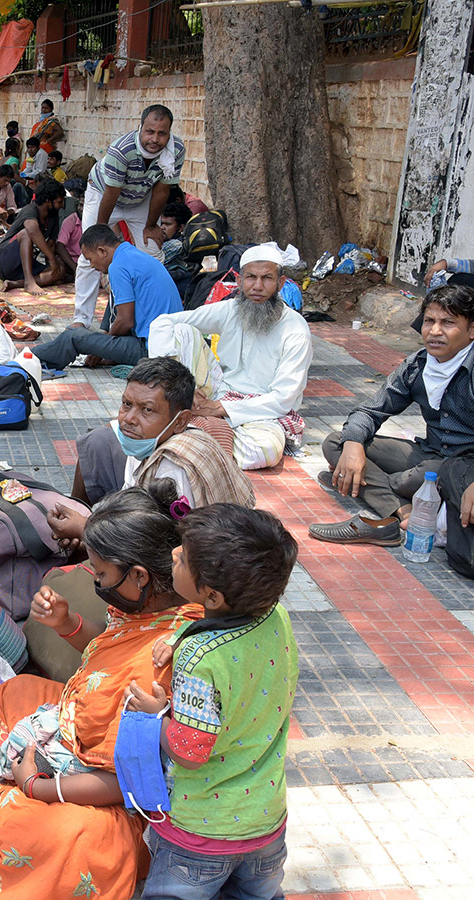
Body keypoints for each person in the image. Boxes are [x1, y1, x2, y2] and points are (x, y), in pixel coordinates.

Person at [0, 483, 202, 900]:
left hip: (120, 795)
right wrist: (67, 624)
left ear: (138, 576)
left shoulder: (161, 662)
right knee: (19, 689)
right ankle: (5, 774)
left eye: (100, 574)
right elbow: (104, 658)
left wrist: (38, 788)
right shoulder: (155, 604)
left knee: (77, 839)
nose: (96, 582)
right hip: (76, 733)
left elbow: (125, 785)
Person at [127, 504, 298, 900]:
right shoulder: (275, 615)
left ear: (212, 595)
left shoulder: (200, 661)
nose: (174, 555)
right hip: (266, 820)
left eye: (184, 558)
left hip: (202, 833)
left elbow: (189, 751)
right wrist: (184, 633)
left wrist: (158, 715)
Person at [310, 285, 474, 558]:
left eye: (448, 323)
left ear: (471, 330)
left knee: (417, 478)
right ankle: (404, 510)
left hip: (465, 469)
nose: (434, 331)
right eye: (430, 321)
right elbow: (371, 410)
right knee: (336, 443)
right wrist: (353, 445)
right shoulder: (418, 365)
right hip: (429, 454)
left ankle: (375, 487)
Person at [50, 357, 255, 563]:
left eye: (147, 410)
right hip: (154, 533)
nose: (129, 418)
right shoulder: (147, 440)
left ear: (181, 421)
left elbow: (156, 548)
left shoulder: (173, 471)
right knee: (97, 441)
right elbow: (129, 499)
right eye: (126, 404)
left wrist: (86, 528)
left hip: (184, 566)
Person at [147, 244, 313, 470]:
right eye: (251, 277)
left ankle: (197, 432)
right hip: (219, 390)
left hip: (261, 411)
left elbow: (283, 398)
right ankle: (198, 423)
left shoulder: (295, 329)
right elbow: (162, 322)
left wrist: (221, 410)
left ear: (281, 283)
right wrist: (178, 384)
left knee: (265, 450)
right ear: (238, 280)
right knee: (181, 330)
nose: (257, 286)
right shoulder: (229, 309)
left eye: (267, 278)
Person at [73, 106, 186, 325]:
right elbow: (111, 193)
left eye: (162, 133)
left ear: (169, 133)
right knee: (89, 255)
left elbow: (163, 189)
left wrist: (151, 224)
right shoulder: (121, 150)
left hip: (140, 197)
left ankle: (156, 317)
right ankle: (81, 320)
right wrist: (101, 231)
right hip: (104, 194)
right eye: (150, 131)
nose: (155, 139)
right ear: (140, 127)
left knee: (153, 252)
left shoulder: (177, 150)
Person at [32, 225, 183, 369]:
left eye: (90, 259)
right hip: (170, 344)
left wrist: (102, 346)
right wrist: (104, 338)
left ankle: (30, 359)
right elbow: (120, 305)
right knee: (114, 301)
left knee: (73, 336)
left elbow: (125, 321)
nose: (91, 266)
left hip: (153, 351)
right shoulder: (132, 255)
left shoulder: (118, 266)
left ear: (102, 251)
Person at [0, 178, 66, 294]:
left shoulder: (53, 217)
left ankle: (17, 283)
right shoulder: (30, 210)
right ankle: (29, 282)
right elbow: (32, 230)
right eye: (59, 202)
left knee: (60, 271)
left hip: (23, 268)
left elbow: (51, 244)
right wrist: (51, 258)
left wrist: (52, 266)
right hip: (3, 261)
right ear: (48, 202)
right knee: (26, 233)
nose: (62, 205)